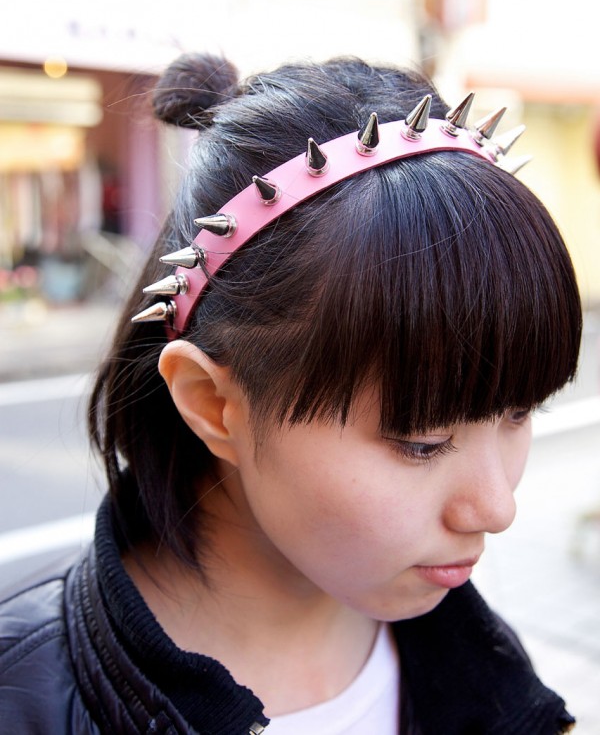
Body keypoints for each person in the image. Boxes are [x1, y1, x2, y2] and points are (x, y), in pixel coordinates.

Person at [0, 54, 582, 734]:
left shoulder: (480, 669)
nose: (497, 507)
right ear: (214, 405)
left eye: (520, 413)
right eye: (421, 443)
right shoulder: (27, 698)